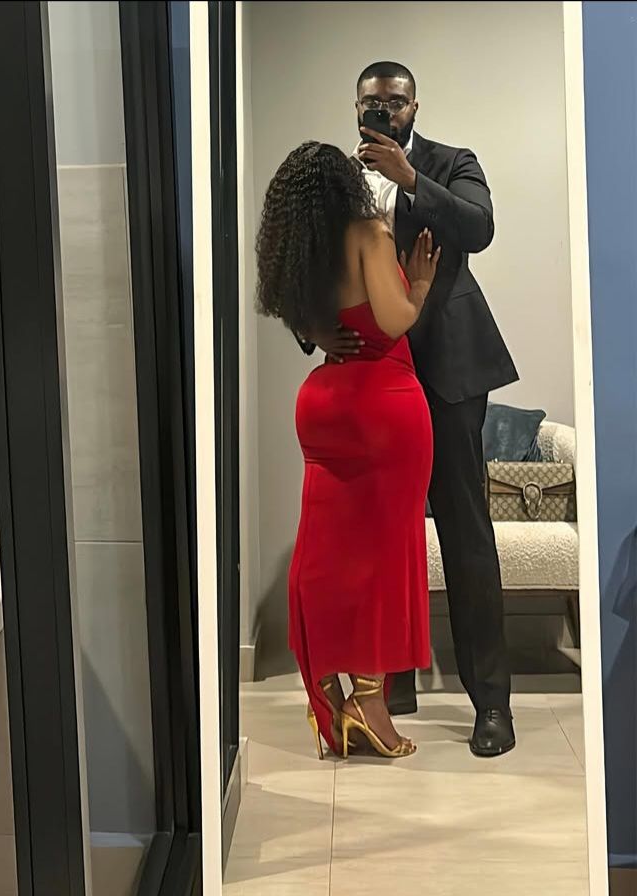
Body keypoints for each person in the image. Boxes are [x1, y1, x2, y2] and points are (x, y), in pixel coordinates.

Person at [296, 61, 519, 758]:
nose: (384, 112)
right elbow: (298, 257)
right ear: (355, 105)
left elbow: (479, 228)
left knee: (464, 531)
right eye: (372, 102)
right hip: (367, 378)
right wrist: (312, 328)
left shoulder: (451, 163)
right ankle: (384, 688)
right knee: (375, 538)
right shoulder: (335, 180)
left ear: (415, 106)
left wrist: (411, 178)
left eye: (395, 102)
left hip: (446, 372)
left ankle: (491, 704)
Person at [256, 140, 440, 759]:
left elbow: (303, 322)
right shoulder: (369, 232)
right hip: (383, 404)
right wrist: (418, 287)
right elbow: (391, 320)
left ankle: (330, 692)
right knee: (384, 557)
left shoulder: (301, 249)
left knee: (327, 552)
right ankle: (368, 701)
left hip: (324, 404)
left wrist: (320, 333)